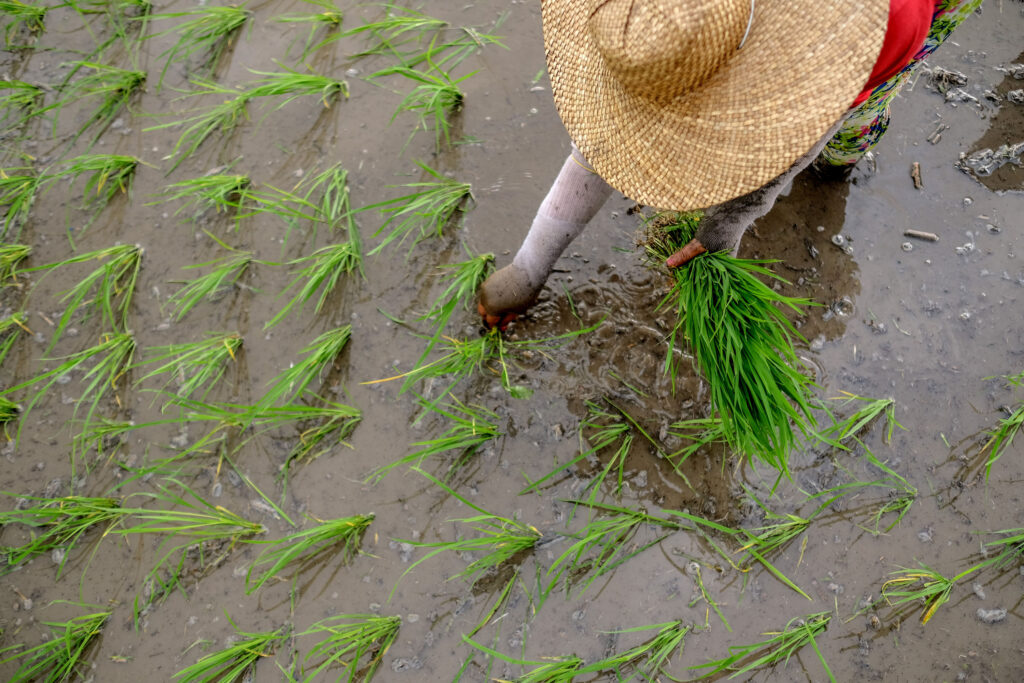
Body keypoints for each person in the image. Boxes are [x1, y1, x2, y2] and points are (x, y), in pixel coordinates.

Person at [478, 0, 983, 329]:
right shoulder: (666, 27)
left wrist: (725, 225)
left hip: (897, 29)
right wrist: (527, 269)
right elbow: (601, 145)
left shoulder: (875, 30)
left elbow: (799, 142)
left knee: (852, 126)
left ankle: (841, 168)